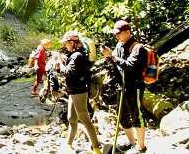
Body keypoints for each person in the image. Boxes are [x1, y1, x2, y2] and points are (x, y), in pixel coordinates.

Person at [101, 20, 147, 153]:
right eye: (115, 34)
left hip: (135, 86)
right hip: (121, 86)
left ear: (127, 32)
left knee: (137, 115)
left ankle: (141, 146)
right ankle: (132, 143)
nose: (116, 37)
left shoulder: (138, 48)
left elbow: (130, 66)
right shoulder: (119, 45)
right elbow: (116, 65)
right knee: (122, 116)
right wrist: (108, 58)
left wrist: (113, 57)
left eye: (118, 34)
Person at [59, 31, 102, 154]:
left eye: (66, 43)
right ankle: (68, 144)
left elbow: (68, 72)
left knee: (84, 119)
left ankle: (97, 148)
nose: (65, 45)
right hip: (73, 91)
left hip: (79, 91)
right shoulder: (74, 55)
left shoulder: (77, 55)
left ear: (72, 43)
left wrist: (60, 63)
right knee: (71, 118)